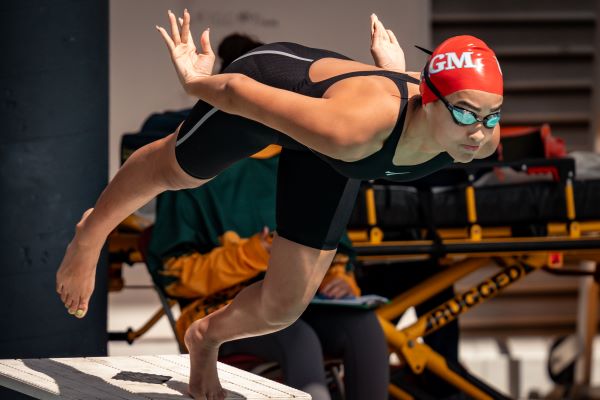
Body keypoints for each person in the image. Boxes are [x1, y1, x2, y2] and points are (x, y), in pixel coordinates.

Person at [56, 9, 503, 399]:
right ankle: (90, 234)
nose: (479, 132)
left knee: (283, 307)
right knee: (178, 171)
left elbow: (435, 106)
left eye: (491, 115)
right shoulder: (354, 129)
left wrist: (393, 74)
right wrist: (198, 81)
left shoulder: (478, 139)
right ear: (430, 100)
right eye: (464, 113)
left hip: (340, 148)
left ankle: (205, 339)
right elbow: (235, 91)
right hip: (268, 90)